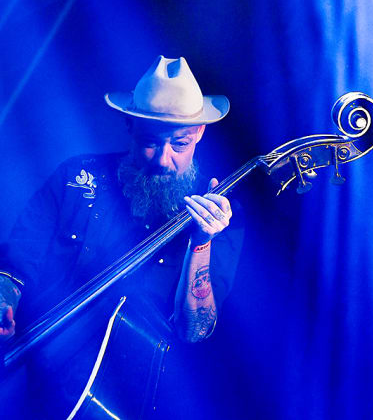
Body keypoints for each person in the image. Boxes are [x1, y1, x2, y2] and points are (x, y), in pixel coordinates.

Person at [0, 55, 244, 347]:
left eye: (180, 144)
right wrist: (3, 302)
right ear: (130, 126)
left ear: (200, 133)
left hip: (122, 385)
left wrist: (201, 242)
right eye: (150, 143)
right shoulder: (76, 177)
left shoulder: (220, 214)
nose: (164, 161)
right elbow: (15, 264)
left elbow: (195, 330)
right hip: (29, 355)